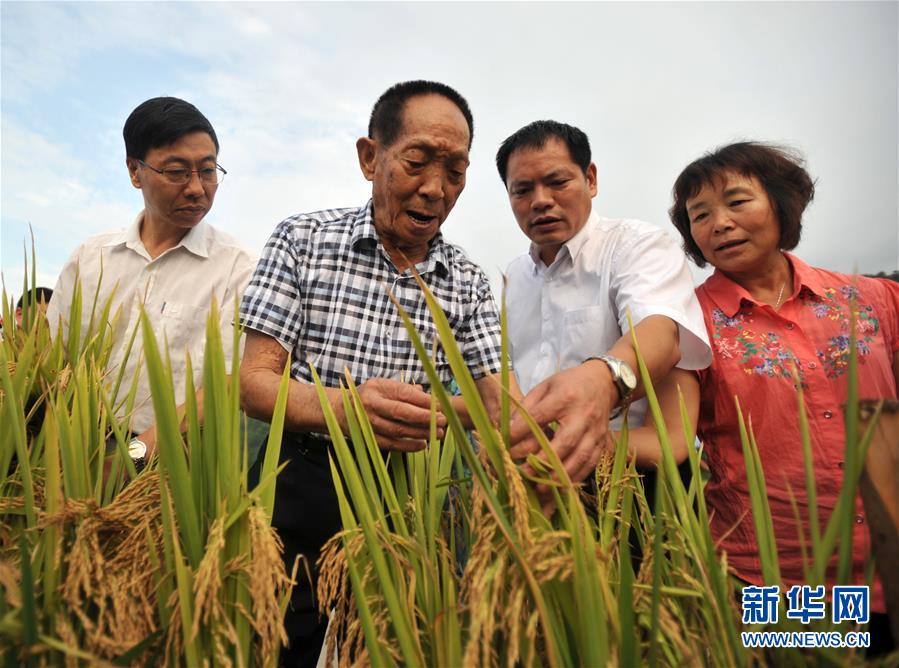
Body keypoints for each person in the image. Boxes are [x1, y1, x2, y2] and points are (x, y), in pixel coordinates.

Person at [238, 80, 506, 666]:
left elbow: (496, 405)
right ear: (370, 156)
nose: (435, 188)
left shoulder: (468, 280)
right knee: (277, 643)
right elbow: (255, 382)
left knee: (391, 643)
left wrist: (418, 413)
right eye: (417, 161)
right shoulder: (302, 240)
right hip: (297, 481)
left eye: (456, 171)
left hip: (407, 495)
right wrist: (348, 407)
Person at [669, 141, 897, 650]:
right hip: (776, 576)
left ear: (780, 203)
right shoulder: (689, 323)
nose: (720, 223)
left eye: (737, 201)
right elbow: (672, 435)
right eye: (700, 215)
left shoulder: (874, 298)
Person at [46, 97, 256, 469]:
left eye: (208, 171)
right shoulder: (89, 259)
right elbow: (53, 360)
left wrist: (134, 456)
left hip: (178, 462)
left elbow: (227, 383)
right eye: (177, 172)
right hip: (73, 449)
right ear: (134, 170)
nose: (197, 188)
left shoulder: (238, 269)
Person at [498, 121, 711, 486]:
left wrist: (604, 378)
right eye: (522, 190)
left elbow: (660, 331)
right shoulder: (513, 278)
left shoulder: (636, 247)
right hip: (537, 477)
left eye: (557, 182)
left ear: (590, 180)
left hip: (632, 482)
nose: (541, 200)